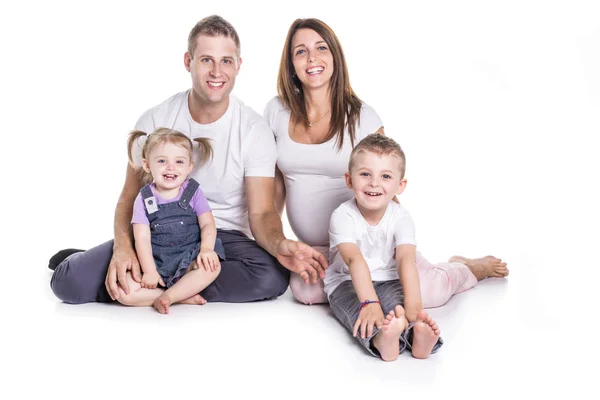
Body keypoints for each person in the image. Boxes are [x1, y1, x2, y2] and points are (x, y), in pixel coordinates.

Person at [49, 15, 327, 305]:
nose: (217, 71)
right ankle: (155, 283)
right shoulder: (156, 119)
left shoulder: (254, 130)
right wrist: (122, 247)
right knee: (70, 284)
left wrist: (280, 243)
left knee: (271, 276)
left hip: (222, 239)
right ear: (188, 61)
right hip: (155, 235)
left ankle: (159, 292)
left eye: (226, 61)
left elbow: (261, 214)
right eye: (206, 60)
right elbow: (129, 198)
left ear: (239, 66)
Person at [263, 18, 509, 306]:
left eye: (321, 48)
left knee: (427, 293)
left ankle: (464, 268)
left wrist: (397, 247)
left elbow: (386, 178)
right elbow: (274, 190)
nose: (312, 58)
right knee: (306, 291)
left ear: (335, 57)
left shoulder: (362, 117)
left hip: (370, 240)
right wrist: (277, 241)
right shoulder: (276, 112)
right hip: (322, 246)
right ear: (290, 64)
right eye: (300, 51)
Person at [327, 133, 442, 360]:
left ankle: (418, 335)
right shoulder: (342, 216)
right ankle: (381, 340)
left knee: (399, 310)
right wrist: (369, 302)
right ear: (349, 180)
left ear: (400, 186)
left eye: (385, 176)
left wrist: (414, 307)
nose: (374, 183)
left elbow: (405, 261)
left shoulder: (401, 217)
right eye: (365, 174)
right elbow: (353, 260)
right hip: (346, 282)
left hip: (388, 279)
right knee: (360, 314)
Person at [118, 128, 224, 314]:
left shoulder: (193, 192)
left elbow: (207, 224)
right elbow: (141, 239)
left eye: (179, 162)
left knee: (211, 268)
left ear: (189, 166)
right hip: (158, 262)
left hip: (189, 258)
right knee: (123, 291)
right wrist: (149, 270)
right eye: (161, 161)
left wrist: (206, 249)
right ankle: (181, 296)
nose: (170, 167)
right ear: (147, 165)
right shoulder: (144, 199)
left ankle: (169, 297)